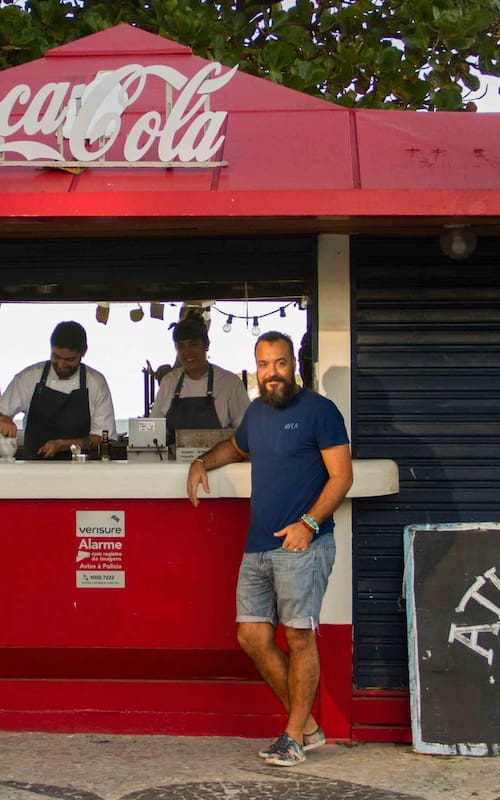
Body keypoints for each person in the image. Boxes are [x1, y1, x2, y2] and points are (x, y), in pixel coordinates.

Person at [186, 331, 353, 767]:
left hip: (303, 543)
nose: (271, 373)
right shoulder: (257, 413)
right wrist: (201, 462)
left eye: (279, 364)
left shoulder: (321, 411)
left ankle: (293, 736)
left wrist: (309, 523)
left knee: (298, 636)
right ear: (255, 368)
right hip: (258, 544)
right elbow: (236, 448)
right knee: (252, 636)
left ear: (293, 364)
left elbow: (342, 477)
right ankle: (310, 729)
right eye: (263, 365)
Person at [0, 320, 117, 460]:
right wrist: (1, 419)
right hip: (33, 472)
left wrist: (62, 445)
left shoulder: (96, 383)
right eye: (56, 356)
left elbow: (101, 439)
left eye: (69, 360)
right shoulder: (29, 377)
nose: (61, 365)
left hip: (81, 473)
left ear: (83, 352)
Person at [150, 315, 249, 447]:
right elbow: (153, 431)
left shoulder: (229, 383)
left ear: (206, 345)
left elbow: (247, 432)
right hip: (174, 465)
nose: (187, 352)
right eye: (181, 346)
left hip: (219, 465)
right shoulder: (169, 382)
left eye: (193, 344)